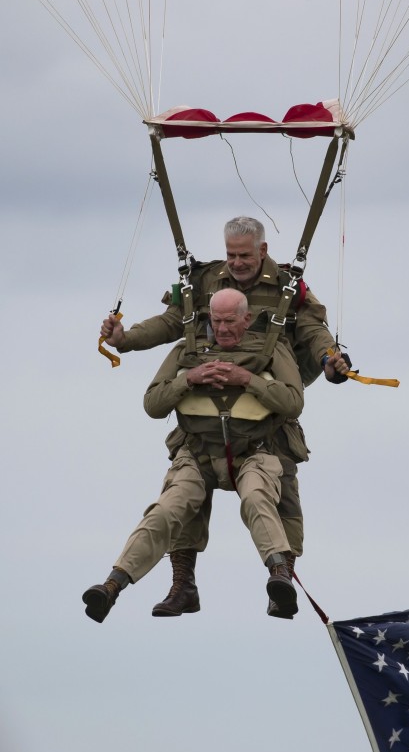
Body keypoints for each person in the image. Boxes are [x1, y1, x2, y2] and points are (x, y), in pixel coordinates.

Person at [100, 216, 350, 617]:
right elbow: (171, 322)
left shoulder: (287, 287)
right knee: (179, 500)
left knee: (274, 496)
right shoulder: (205, 283)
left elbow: (311, 329)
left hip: (266, 407)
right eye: (231, 254)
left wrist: (330, 360)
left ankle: (281, 582)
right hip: (205, 418)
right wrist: (125, 341)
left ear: (263, 251)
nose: (236, 263)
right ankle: (180, 585)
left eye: (244, 255)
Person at [83, 290, 304, 624]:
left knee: (257, 497)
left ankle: (279, 574)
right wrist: (189, 379)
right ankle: (113, 584)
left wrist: (247, 379)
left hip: (256, 450)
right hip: (198, 453)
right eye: (217, 321)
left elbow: (293, 403)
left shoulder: (273, 349)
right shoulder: (187, 349)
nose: (224, 328)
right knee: (167, 508)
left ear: (246, 318)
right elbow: (153, 404)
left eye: (231, 321)